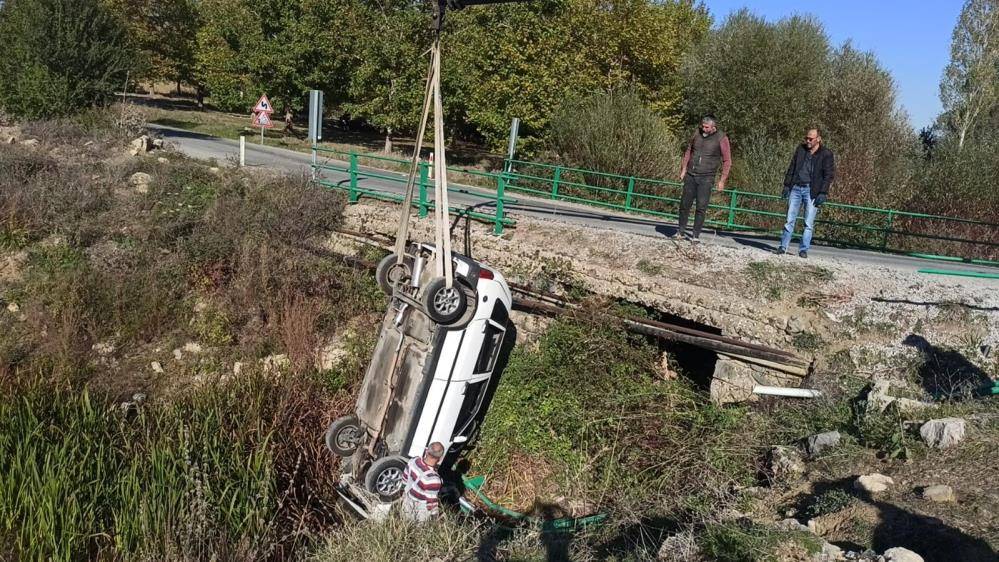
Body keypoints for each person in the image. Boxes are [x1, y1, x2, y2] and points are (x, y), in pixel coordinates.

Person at [776, 127, 835, 258]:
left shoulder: (826, 154)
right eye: (806, 138)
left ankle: (803, 249)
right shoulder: (801, 150)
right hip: (796, 188)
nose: (807, 141)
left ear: (818, 139)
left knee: (808, 223)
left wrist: (823, 192)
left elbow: (829, 175)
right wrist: (786, 185)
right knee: (789, 219)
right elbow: (792, 167)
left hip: (811, 190)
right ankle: (783, 246)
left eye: (811, 139)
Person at [675, 115, 732, 244]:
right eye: (702, 126)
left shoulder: (721, 138)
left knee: (701, 207)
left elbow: (727, 160)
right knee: (684, 204)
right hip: (691, 174)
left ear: (713, 127)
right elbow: (689, 151)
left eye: (706, 127)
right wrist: (683, 169)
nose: (703, 128)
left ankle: (695, 236)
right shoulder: (697, 133)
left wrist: (722, 180)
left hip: (707, 177)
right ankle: (680, 232)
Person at [400, 442, 444, 522]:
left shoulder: (414, 460)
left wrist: (401, 495)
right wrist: (436, 518)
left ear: (426, 451)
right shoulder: (433, 479)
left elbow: (404, 479)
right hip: (419, 511)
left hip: (407, 501)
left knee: (403, 522)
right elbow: (431, 504)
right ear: (440, 458)